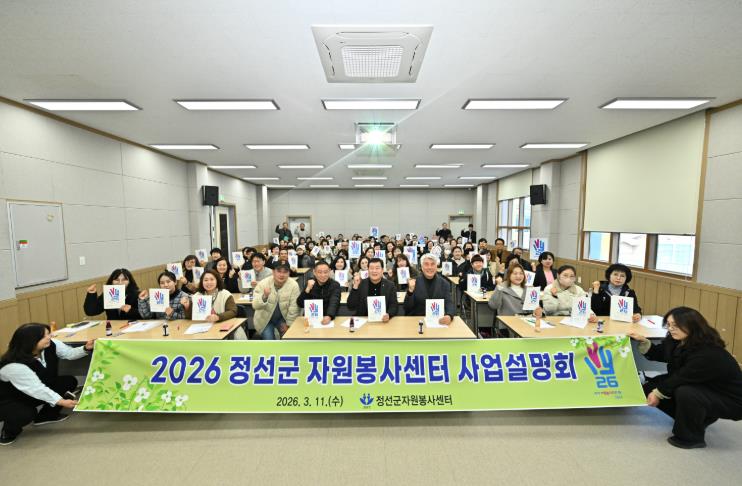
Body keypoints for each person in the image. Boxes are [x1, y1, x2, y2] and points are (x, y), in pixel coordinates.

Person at [628, 307, 742, 449]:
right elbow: (662, 353)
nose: (671, 329)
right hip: (703, 386)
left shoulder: (708, 352)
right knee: (649, 388)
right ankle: (696, 418)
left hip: (730, 399)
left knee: (685, 392)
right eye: (669, 325)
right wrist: (644, 341)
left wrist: (658, 393)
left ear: (692, 325)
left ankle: (691, 438)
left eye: (675, 325)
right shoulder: (678, 340)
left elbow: (682, 377)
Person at [0, 323, 94, 445]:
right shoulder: (14, 365)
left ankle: (46, 416)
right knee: (25, 413)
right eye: (44, 336)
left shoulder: (51, 344)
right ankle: (9, 431)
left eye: (48, 334)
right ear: (31, 341)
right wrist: (61, 401)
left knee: (68, 381)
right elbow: (36, 389)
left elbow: (69, 353)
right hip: (10, 399)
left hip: (34, 390)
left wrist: (86, 348)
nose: (49, 337)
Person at [181, 270, 246, 339]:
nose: (209, 282)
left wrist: (218, 317)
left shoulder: (225, 294)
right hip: (202, 330)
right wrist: (187, 307)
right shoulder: (197, 296)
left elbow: (233, 311)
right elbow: (190, 317)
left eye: (212, 279)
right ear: (202, 282)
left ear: (217, 281)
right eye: (206, 280)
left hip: (223, 328)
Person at [252, 262, 301, 340]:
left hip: (283, 319)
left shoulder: (293, 285)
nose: (282, 275)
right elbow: (255, 305)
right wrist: (264, 296)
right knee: (269, 341)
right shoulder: (263, 283)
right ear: (273, 272)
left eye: (285, 272)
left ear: (289, 273)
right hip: (264, 320)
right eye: (279, 271)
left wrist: (289, 325)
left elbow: (294, 307)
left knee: (287, 339)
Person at [403, 254, 454, 323]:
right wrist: (410, 291)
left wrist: (449, 315)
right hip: (418, 320)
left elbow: (449, 303)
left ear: (436, 267)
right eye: (426, 264)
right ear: (421, 267)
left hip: (438, 321)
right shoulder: (414, 282)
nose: (430, 267)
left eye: (432, 264)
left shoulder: (444, 283)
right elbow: (407, 308)